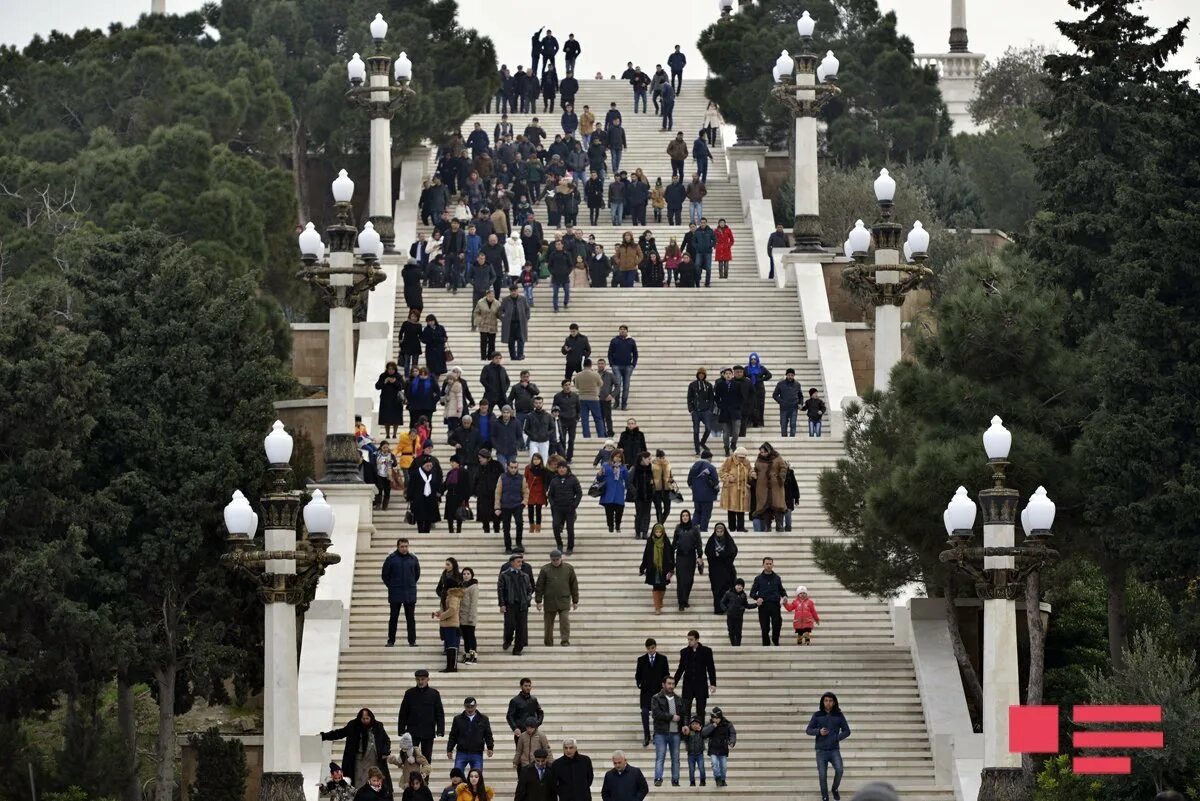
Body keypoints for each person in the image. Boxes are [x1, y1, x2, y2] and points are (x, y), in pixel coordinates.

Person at [321, 708, 393, 796]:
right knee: (359, 784)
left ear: (371, 718)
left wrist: (385, 751)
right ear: (360, 718)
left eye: (367, 718)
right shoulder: (353, 725)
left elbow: (387, 740)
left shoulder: (378, 726)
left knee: (375, 782)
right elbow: (339, 733)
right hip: (358, 761)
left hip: (374, 760)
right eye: (363, 719)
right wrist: (324, 736)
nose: (365, 721)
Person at [806, 692, 851, 801]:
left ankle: (834, 789)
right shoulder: (817, 715)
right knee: (822, 775)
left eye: (830, 701)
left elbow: (847, 731)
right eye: (826, 701)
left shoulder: (839, 715)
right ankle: (825, 796)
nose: (828, 703)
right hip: (821, 750)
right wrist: (819, 731)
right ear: (823, 702)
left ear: (834, 702)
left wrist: (837, 738)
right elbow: (808, 730)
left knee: (839, 770)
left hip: (834, 750)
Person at [398, 670, 445, 762]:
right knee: (410, 756)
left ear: (428, 679)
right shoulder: (409, 693)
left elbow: (439, 713)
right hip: (412, 732)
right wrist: (401, 730)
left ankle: (425, 776)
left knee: (426, 758)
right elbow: (403, 713)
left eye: (423, 679)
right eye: (418, 679)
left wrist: (440, 730)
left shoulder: (434, 694)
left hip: (428, 732)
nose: (420, 682)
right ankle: (411, 776)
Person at [535, 547, 579, 646]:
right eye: (553, 560)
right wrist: (538, 601)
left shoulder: (569, 568)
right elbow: (539, 586)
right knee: (548, 624)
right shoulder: (545, 569)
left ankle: (565, 640)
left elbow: (574, 585)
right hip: (549, 601)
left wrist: (575, 601)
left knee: (565, 622)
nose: (555, 562)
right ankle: (548, 642)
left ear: (561, 558)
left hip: (564, 600)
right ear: (550, 559)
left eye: (557, 559)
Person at [383, 539, 421, 648]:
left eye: (406, 546)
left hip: (410, 593)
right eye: (402, 546)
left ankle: (412, 641)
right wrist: (392, 586)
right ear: (398, 547)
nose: (404, 548)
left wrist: (410, 584)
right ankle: (391, 641)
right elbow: (385, 575)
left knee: (410, 619)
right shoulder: (391, 559)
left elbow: (417, 574)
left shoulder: (413, 559)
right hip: (395, 593)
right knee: (393, 618)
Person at [673, 630, 716, 723]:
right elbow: (680, 669)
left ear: (697, 640)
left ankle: (700, 734)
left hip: (701, 685)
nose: (689, 641)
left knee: (700, 711)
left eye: (691, 639)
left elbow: (711, 668)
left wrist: (713, 683)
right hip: (688, 685)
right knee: (686, 710)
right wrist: (674, 683)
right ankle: (686, 733)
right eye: (688, 639)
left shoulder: (706, 651)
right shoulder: (684, 652)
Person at [498, 552, 535, 654]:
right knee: (509, 625)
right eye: (518, 562)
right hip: (510, 604)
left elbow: (529, 589)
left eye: (521, 562)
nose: (520, 564)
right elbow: (500, 590)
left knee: (521, 627)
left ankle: (518, 649)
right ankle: (508, 639)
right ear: (512, 563)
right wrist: (502, 604)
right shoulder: (504, 575)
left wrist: (527, 599)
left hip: (522, 605)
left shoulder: (525, 576)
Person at [649, 676, 682, 787]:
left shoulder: (678, 699)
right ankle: (658, 778)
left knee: (676, 758)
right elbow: (656, 714)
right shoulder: (656, 698)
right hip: (661, 733)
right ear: (663, 684)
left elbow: (683, 714)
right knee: (660, 756)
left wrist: (685, 725)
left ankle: (675, 780)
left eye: (673, 684)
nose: (671, 686)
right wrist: (671, 717)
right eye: (669, 683)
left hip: (675, 733)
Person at [446, 698, 494, 773]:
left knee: (477, 776)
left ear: (476, 706)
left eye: (472, 707)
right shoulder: (458, 719)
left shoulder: (483, 719)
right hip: (461, 752)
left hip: (477, 753)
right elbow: (453, 735)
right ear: (464, 706)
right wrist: (449, 749)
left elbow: (488, 735)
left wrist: (490, 747)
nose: (470, 709)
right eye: (468, 707)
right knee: (457, 775)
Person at [546, 460, 582, 554]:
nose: (561, 469)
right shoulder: (554, 480)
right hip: (558, 508)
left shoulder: (573, 479)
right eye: (560, 468)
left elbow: (579, 493)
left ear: (567, 468)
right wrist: (553, 504)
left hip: (569, 508)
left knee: (570, 528)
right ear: (557, 469)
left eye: (563, 467)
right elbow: (550, 495)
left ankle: (570, 547)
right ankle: (559, 544)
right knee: (556, 526)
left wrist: (574, 505)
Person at [749, 555, 785, 646]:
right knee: (764, 627)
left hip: (775, 605)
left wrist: (785, 596)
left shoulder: (777, 578)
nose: (768, 565)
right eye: (767, 564)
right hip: (763, 606)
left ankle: (775, 640)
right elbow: (752, 593)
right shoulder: (758, 578)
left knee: (777, 624)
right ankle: (766, 644)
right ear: (763, 565)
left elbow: (781, 590)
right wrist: (757, 598)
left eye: (770, 564)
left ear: (773, 565)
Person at [639, 523, 675, 614]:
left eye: (660, 532)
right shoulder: (650, 541)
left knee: (662, 586)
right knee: (655, 587)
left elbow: (671, 555)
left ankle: (660, 601)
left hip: (664, 568)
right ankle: (657, 608)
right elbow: (646, 555)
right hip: (653, 568)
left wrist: (671, 568)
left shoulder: (666, 541)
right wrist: (642, 567)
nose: (658, 533)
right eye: (657, 532)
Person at [752, 442, 788, 531]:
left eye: (764, 452)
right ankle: (767, 526)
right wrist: (753, 474)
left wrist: (780, 477)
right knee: (765, 507)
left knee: (777, 506)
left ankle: (779, 525)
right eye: (761, 452)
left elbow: (783, 467)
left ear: (769, 450)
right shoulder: (759, 459)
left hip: (776, 485)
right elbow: (755, 469)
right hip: (762, 486)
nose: (763, 454)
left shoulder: (777, 458)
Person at [495, 459, 528, 553]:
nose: (513, 469)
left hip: (517, 504)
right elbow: (498, 493)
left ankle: (519, 543)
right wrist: (497, 507)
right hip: (505, 505)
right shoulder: (502, 477)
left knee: (519, 523)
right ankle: (508, 547)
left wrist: (524, 503)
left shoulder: (521, 478)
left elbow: (526, 491)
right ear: (508, 467)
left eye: (515, 467)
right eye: (511, 467)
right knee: (506, 527)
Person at [704, 523, 738, 615]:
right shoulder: (711, 541)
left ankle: (726, 607)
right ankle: (718, 609)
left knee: (726, 590)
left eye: (721, 531)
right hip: (715, 571)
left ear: (724, 531)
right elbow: (708, 552)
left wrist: (722, 555)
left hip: (727, 570)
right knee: (717, 590)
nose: (719, 533)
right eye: (717, 531)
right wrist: (716, 555)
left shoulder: (728, 540)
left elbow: (733, 551)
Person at [671, 510, 702, 611]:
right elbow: (674, 543)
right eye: (683, 516)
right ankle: (681, 602)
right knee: (680, 580)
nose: (685, 517)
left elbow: (699, 543)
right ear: (681, 517)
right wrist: (670, 555)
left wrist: (700, 555)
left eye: (687, 515)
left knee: (689, 580)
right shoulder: (678, 528)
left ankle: (685, 600)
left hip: (691, 557)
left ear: (689, 517)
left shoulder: (694, 528)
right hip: (680, 557)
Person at [715, 368, 750, 456]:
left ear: (732, 375)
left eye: (729, 373)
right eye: (726, 373)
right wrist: (720, 405)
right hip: (724, 411)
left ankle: (733, 443)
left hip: (735, 411)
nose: (728, 375)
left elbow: (742, 397)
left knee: (736, 431)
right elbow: (716, 397)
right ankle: (726, 447)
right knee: (726, 433)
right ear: (723, 375)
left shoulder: (737, 384)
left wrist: (739, 406)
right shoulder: (720, 385)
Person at [432, 574, 464, 672]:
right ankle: (449, 666)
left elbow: (453, 609)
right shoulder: (449, 595)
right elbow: (445, 609)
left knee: (451, 646)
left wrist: (442, 616)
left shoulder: (453, 595)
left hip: (451, 624)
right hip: (447, 624)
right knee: (448, 646)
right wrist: (438, 613)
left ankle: (452, 667)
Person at [719, 447, 752, 532]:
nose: (742, 459)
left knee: (741, 509)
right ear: (736, 455)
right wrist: (729, 477)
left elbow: (750, 471)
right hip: (731, 489)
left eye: (743, 457)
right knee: (731, 508)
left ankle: (741, 527)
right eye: (740, 457)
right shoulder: (729, 461)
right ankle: (732, 527)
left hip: (742, 489)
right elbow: (721, 472)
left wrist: (752, 474)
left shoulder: (746, 462)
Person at [700, 708, 736, 787]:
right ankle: (717, 778)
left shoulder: (727, 724)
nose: (715, 720)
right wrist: (712, 726)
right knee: (714, 764)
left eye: (717, 718)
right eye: (713, 718)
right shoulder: (710, 724)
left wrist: (732, 742)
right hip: (713, 748)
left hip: (723, 748)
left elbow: (732, 733)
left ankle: (723, 780)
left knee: (724, 766)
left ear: (720, 717)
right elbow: (703, 733)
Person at [686, 449, 719, 533]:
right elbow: (715, 481)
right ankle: (703, 530)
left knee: (697, 512)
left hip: (697, 496)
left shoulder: (693, 467)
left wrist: (695, 489)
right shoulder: (711, 467)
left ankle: (691, 529)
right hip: (708, 496)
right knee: (706, 514)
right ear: (709, 458)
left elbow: (689, 481)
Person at [605, 326, 638, 409]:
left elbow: (635, 354)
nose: (622, 331)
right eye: (621, 330)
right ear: (619, 331)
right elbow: (610, 353)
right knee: (618, 384)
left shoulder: (631, 341)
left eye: (624, 330)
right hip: (616, 366)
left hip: (628, 367)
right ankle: (616, 402)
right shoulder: (614, 340)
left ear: (627, 331)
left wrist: (633, 365)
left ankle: (624, 404)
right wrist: (612, 364)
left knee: (626, 386)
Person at [597, 450, 629, 534]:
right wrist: (599, 474)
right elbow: (599, 479)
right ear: (612, 456)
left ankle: (618, 525)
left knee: (619, 510)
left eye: (619, 457)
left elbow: (627, 479)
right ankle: (610, 527)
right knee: (609, 511)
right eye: (616, 456)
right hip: (608, 491)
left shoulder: (623, 467)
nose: (617, 458)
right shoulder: (605, 465)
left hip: (619, 491)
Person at [573, 358, 606, 439]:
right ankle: (601, 435)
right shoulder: (595, 374)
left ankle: (586, 436)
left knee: (584, 419)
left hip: (582, 399)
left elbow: (577, 386)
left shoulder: (578, 375)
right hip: (594, 399)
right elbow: (601, 384)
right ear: (591, 365)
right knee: (598, 418)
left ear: (583, 365)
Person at [473, 448, 504, 533]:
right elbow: (475, 480)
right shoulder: (479, 467)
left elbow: (502, 479)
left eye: (481, 458)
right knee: (484, 517)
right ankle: (486, 531)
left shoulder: (497, 465)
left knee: (495, 518)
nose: (480, 460)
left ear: (487, 457)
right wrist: (475, 491)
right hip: (483, 497)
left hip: (494, 496)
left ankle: (496, 531)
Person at [719, 578, 753, 646]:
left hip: (739, 616)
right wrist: (726, 609)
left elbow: (746, 605)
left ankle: (738, 646)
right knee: (731, 631)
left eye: (741, 585)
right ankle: (733, 645)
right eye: (738, 585)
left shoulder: (743, 595)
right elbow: (722, 602)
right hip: (730, 616)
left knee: (738, 632)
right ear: (735, 585)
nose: (739, 587)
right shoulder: (729, 593)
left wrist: (756, 605)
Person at [552, 380, 580, 461]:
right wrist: (556, 418)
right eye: (565, 385)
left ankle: (569, 457)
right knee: (562, 439)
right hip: (562, 421)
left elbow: (578, 409)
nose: (567, 386)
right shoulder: (557, 396)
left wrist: (577, 418)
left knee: (571, 440)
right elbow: (554, 408)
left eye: (569, 385)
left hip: (572, 421)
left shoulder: (575, 396)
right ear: (562, 386)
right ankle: (562, 457)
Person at [377, 362, 406, 439]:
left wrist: (395, 382)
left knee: (396, 418)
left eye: (392, 369)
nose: (391, 370)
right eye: (389, 369)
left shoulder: (398, 376)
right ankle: (387, 434)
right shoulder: (383, 376)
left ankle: (394, 434)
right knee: (386, 419)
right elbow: (377, 386)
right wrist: (384, 382)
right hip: (385, 400)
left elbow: (403, 386)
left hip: (396, 400)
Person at [457, 567, 479, 663]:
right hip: (462, 616)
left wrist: (471, 616)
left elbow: (473, 603)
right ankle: (467, 654)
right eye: (464, 574)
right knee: (465, 637)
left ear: (471, 575)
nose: (466, 576)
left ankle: (473, 655)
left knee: (471, 636)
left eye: (468, 574)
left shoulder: (474, 587)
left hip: (469, 616)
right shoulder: (462, 586)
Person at [744, 353, 772, 429]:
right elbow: (742, 377)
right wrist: (747, 380)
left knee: (760, 406)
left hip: (760, 389)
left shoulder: (761, 368)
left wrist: (761, 379)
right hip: (750, 390)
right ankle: (750, 422)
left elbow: (769, 375)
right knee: (750, 406)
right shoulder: (747, 368)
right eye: (752, 359)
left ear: (757, 360)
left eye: (754, 359)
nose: (753, 361)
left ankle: (759, 422)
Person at [772, 368, 802, 437]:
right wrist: (781, 402)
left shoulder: (797, 384)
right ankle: (784, 439)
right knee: (783, 424)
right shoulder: (780, 384)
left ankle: (792, 440)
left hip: (794, 408)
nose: (790, 377)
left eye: (792, 375)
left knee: (793, 424)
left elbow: (801, 396)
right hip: (784, 408)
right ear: (786, 375)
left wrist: (800, 403)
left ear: (794, 375)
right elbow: (774, 395)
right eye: (789, 375)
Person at [524, 398, 553, 464]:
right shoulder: (529, 416)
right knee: (533, 459)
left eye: (540, 403)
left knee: (544, 460)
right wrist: (532, 435)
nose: (538, 405)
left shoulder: (548, 416)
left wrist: (546, 434)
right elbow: (526, 429)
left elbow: (552, 428)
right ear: (534, 404)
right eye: (536, 403)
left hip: (544, 441)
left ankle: (543, 474)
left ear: (542, 404)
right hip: (534, 442)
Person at [375, 441, 398, 511]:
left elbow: (395, 464)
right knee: (379, 490)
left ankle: (385, 506)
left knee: (387, 491)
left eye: (387, 447)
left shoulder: (391, 455)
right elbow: (373, 463)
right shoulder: (376, 454)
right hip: (379, 474)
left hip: (388, 475)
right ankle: (378, 504)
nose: (385, 449)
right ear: (381, 447)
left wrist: (391, 461)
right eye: (384, 447)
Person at [692, 215, 715, 285]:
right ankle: (697, 281)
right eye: (701, 222)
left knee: (708, 268)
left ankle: (707, 283)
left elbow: (715, 240)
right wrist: (697, 247)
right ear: (700, 223)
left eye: (704, 222)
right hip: (699, 252)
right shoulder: (697, 231)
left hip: (708, 252)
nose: (702, 224)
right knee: (697, 265)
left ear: (706, 223)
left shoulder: (710, 231)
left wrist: (710, 246)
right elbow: (693, 241)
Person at [683, 717, 705, 786]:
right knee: (691, 769)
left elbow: (706, 734)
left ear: (700, 725)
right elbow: (685, 739)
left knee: (701, 768)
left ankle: (703, 781)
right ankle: (692, 782)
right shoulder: (689, 733)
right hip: (691, 754)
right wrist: (686, 732)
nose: (695, 725)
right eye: (693, 724)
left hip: (699, 754)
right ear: (690, 725)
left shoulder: (701, 732)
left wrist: (701, 730)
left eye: (697, 724)